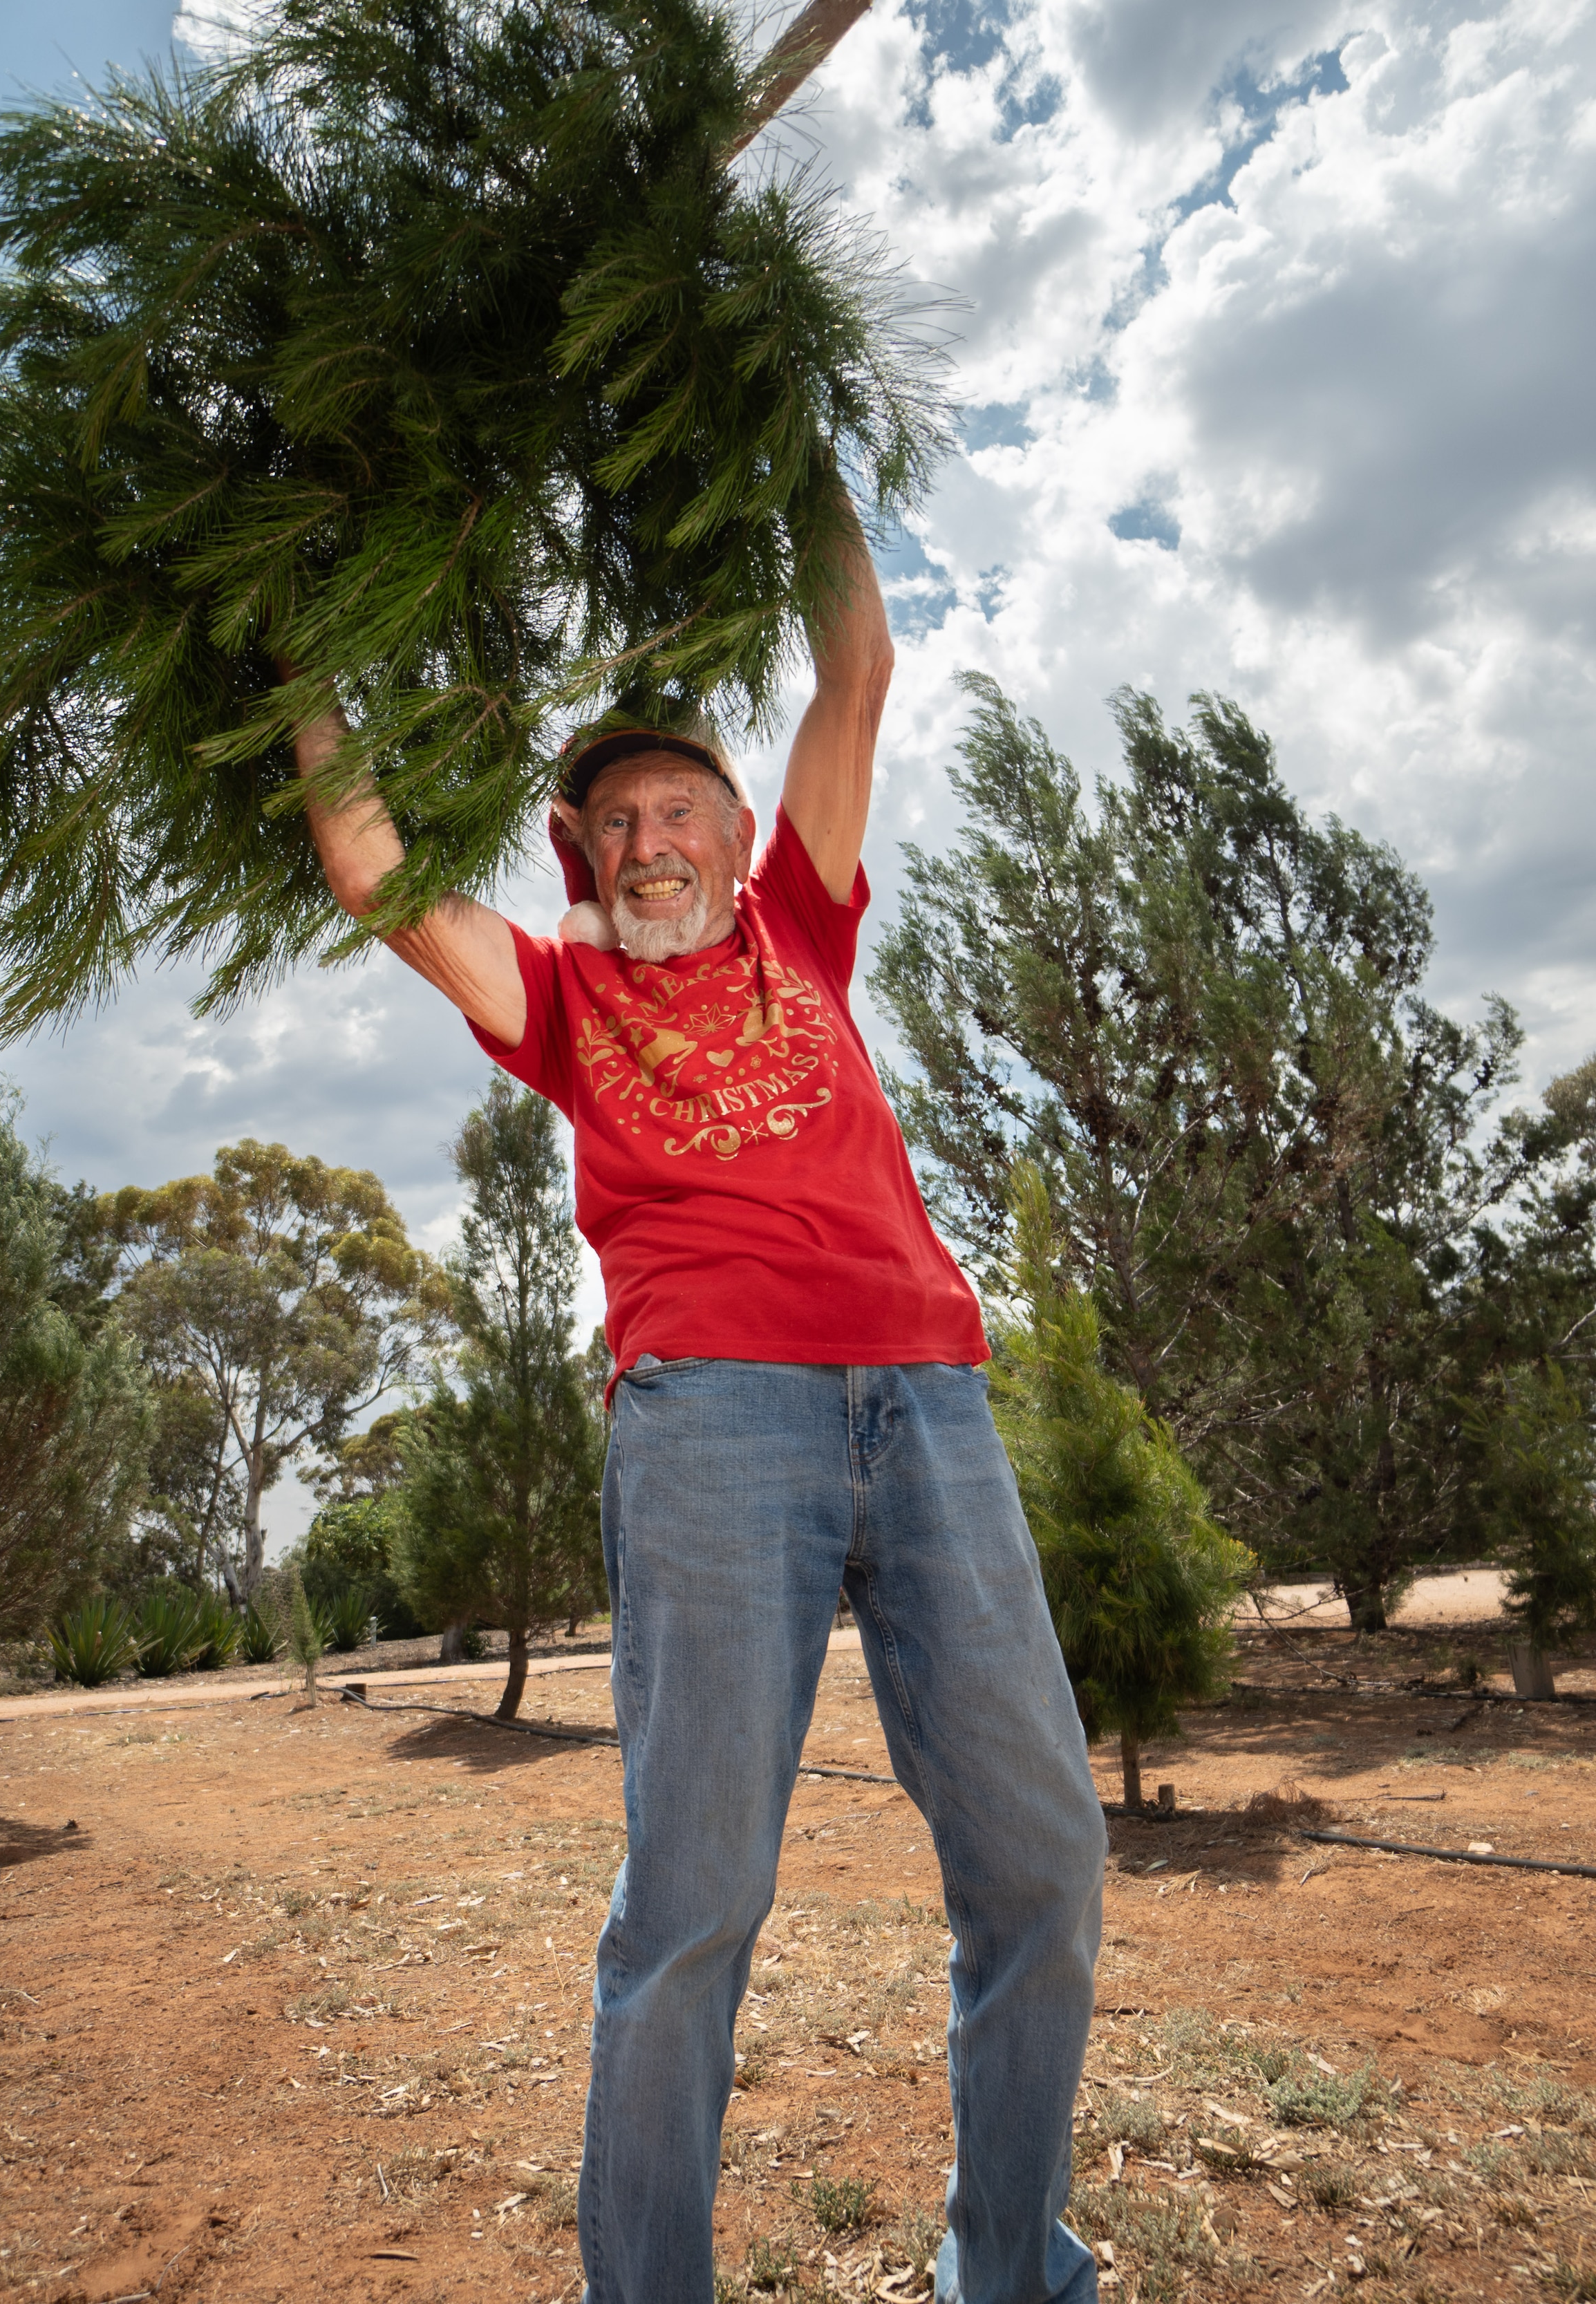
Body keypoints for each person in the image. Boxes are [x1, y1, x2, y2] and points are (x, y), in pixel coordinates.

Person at [294, 519, 1107, 2304]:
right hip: (715, 1418)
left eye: (684, 814)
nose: (654, 844)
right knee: (697, 1908)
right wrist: (297, 646)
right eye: (618, 825)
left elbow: (858, 671)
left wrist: (799, 417)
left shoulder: (805, 933)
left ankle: (1015, 2278)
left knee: (1048, 1859)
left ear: (740, 841)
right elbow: (370, 870)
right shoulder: (565, 999)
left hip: (932, 1398)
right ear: (580, 858)